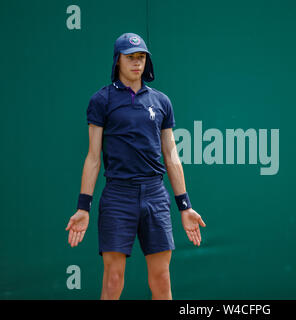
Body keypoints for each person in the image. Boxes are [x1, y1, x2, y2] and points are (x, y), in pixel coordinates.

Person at [65, 32, 206, 300]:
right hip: (118, 196)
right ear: (117, 60)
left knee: (162, 279)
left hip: (155, 195)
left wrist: (185, 206)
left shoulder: (162, 101)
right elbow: (93, 157)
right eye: (130, 57)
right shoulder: (101, 100)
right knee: (113, 279)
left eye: (141, 57)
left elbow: (171, 154)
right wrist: (83, 207)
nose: (136, 63)